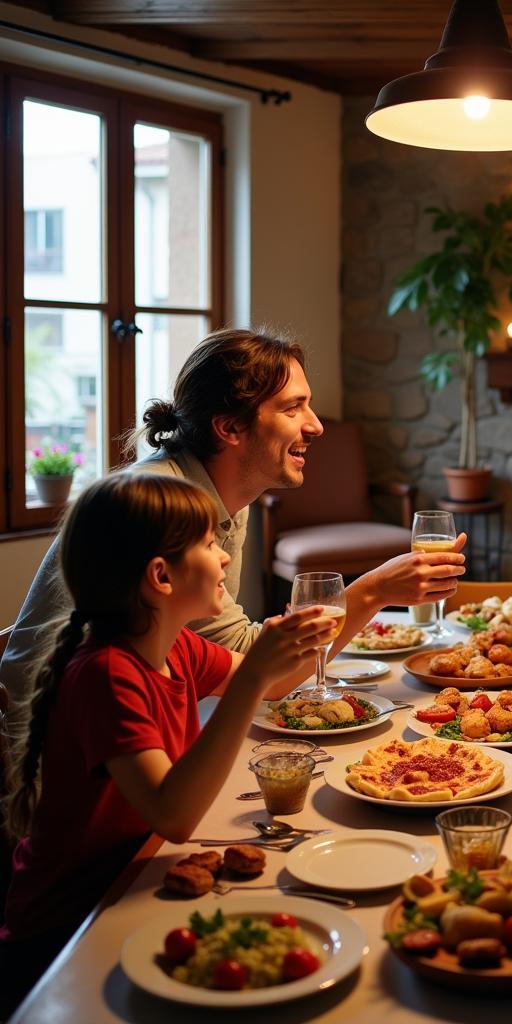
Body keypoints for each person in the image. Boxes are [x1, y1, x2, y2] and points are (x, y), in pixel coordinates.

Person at [0, 474, 338, 1012]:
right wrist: (252, 681)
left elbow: (272, 684)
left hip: (137, 880)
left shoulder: (175, 646)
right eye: (208, 544)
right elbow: (174, 815)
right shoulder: (108, 673)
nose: (224, 558)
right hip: (69, 932)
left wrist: (305, 639)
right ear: (160, 576)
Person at [1, 326, 466, 708]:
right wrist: (375, 590)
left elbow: (232, 658)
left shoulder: (226, 496)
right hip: (65, 755)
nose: (316, 425)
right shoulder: (169, 507)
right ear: (228, 428)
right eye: (292, 407)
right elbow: (252, 668)